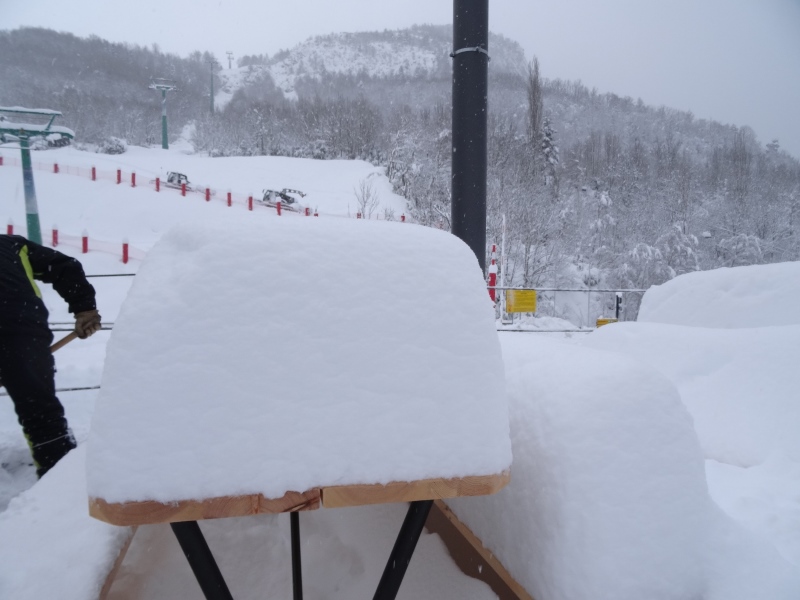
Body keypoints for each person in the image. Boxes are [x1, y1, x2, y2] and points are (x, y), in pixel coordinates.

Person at [0, 234, 101, 477]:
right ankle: (60, 481)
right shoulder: (10, 244)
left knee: (38, 407)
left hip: (19, 324)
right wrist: (84, 308)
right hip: (23, 327)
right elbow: (64, 265)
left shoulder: (11, 245)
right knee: (39, 408)